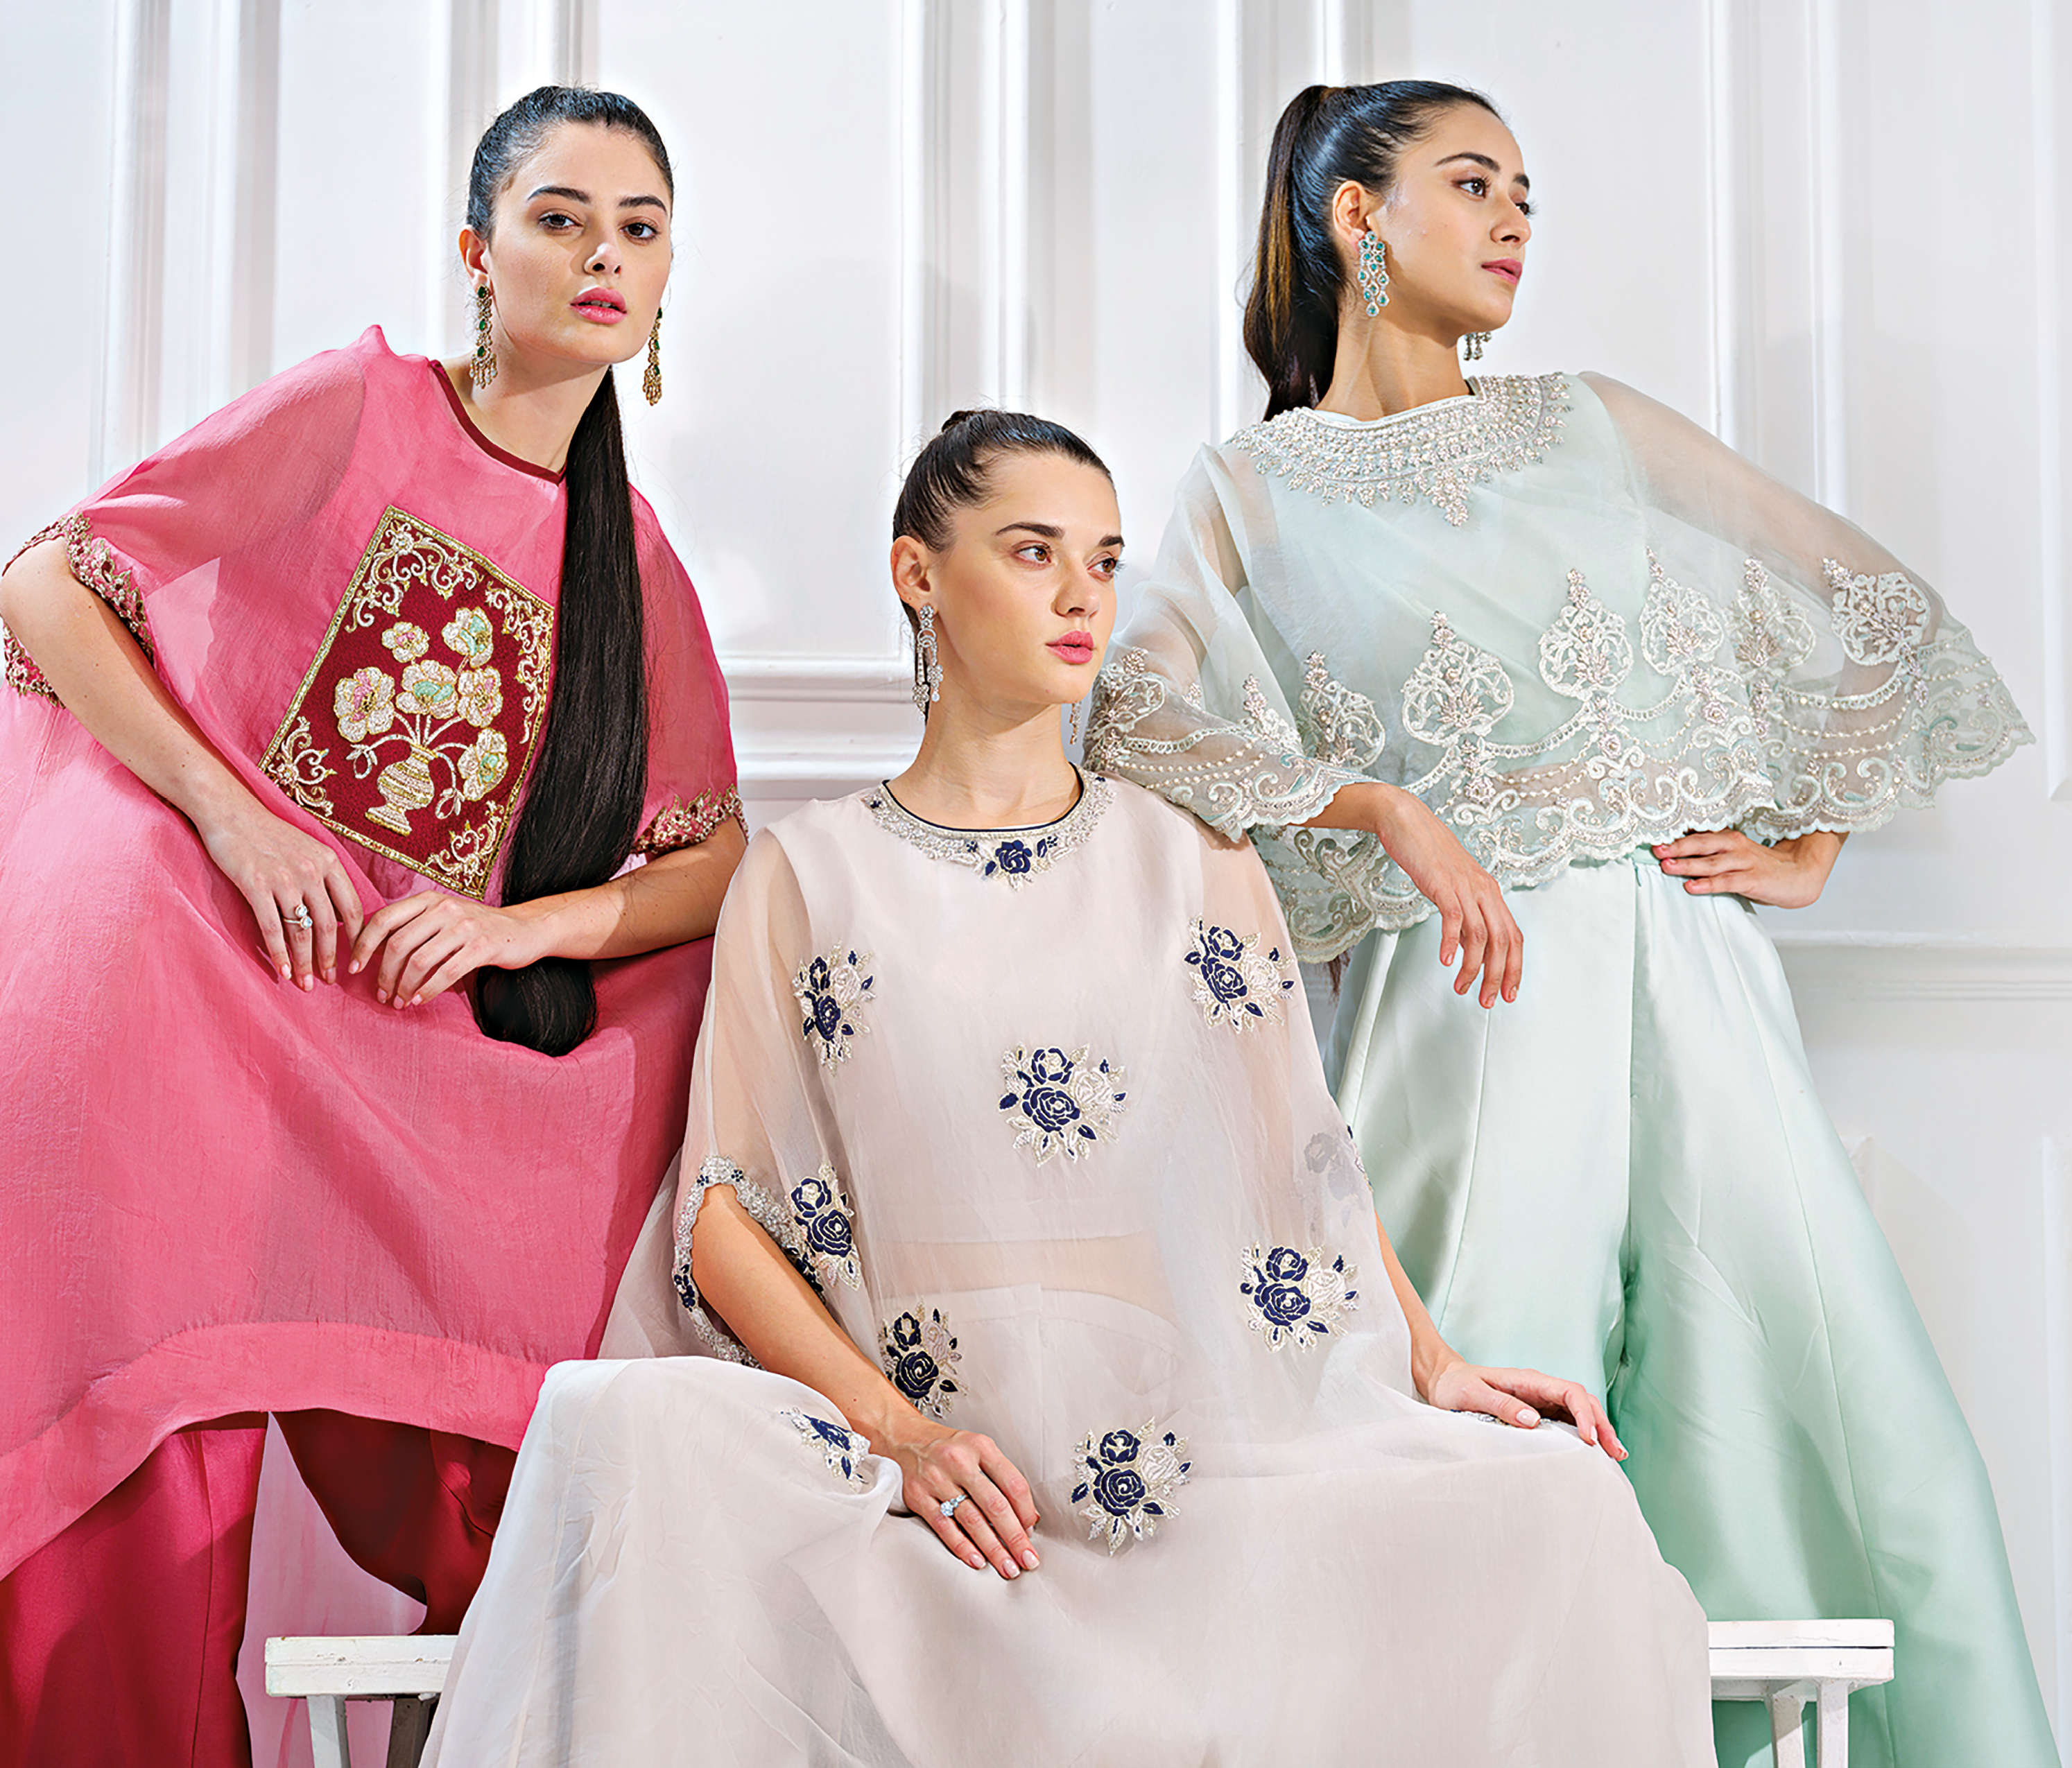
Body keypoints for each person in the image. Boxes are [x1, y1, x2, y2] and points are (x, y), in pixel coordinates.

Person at [426, 410, 1713, 1767]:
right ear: (916, 574)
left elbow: (1302, 1163)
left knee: (1560, 1509)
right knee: (619, 1419)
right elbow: (721, 1217)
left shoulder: (1195, 863)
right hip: (932, 1453)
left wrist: (1434, 1363)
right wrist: (903, 1438)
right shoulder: (806, 876)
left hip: (1172, 1441)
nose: (1080, 596)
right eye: (1032, 552)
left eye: (1101, 561)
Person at [1086, 80, 2057, 1768]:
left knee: (1833, 1439)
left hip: (1689, 973)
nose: (1514, 222)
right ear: (1354, 215)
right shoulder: (1250, 489)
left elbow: (1865, 596)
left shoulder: (1591, 425)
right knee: (1484, 1442)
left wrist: (1811, 840)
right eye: (1472, 183)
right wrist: (1378, 808)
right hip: (1463, 999)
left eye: (1526, 193)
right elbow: (1134, 717)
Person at [0, 87, 742, 1765]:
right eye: (560, 218)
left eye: (638, 229)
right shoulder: (359, 409)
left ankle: (519, 1701)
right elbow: (47, 582)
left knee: (653, 1091)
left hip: (381, 1031)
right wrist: (239, 817)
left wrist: (514, 933)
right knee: (155, 1444)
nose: (603, 256)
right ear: (478, 251)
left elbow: (711, 861)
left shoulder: (630, 560)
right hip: (193, 972)